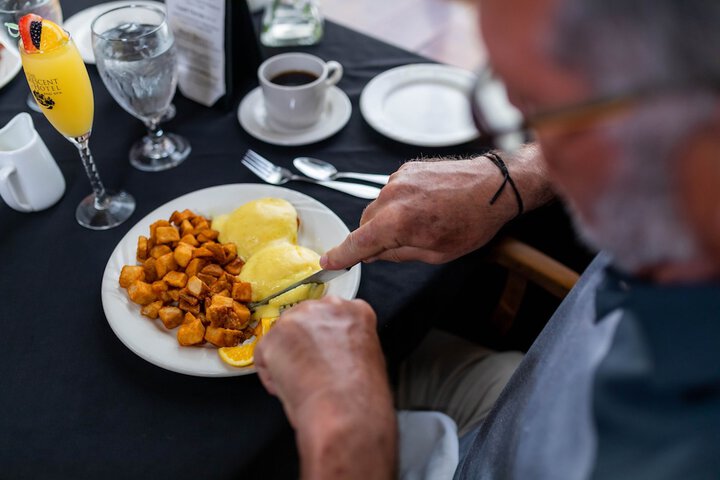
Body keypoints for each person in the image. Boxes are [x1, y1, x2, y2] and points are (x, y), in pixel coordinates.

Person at [254, 0, 720, 477]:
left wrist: (346, 425)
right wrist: (517, 176)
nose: (519, 130)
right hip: (531, 395)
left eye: (540, 105)